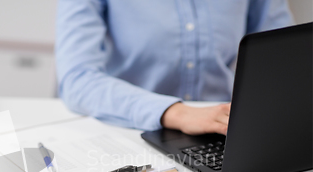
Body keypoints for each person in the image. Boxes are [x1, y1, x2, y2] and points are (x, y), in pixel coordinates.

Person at [55, 0, 293, 135]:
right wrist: (177, 112)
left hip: (225, 129)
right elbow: (77, 78)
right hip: (128, 129)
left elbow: (284, 58)